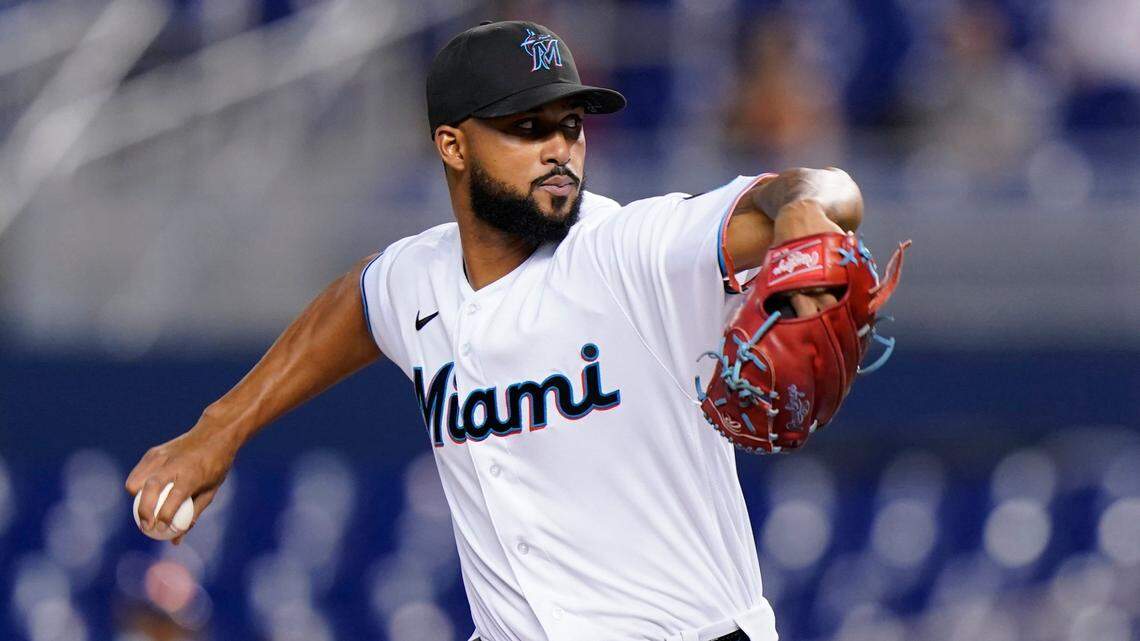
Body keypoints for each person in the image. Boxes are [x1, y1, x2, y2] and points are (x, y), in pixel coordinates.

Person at [125, 20, 863, 641]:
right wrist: (220, 427)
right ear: (452, 145)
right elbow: (355, 301)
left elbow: (825, 188)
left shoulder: (629, 248)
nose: (560, 148)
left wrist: (802, 204)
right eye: (527, 127)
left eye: (571, 125)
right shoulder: (417, 277)